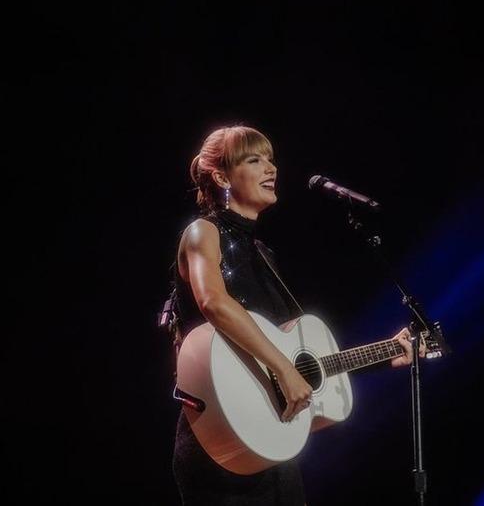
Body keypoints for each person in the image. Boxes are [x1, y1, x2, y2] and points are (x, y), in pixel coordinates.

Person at [168, 124, 419, 505]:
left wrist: (385, 355)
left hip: (271, 442)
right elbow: (215, 303)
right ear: (221, 176)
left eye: (271, 159)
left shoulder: (264, 255)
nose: (271, 168)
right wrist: (284, 369)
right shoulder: (203, 232)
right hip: (219, 443)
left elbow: (297, 365)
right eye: (255, 160)